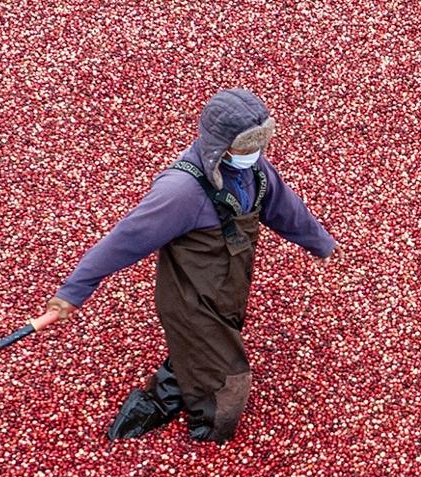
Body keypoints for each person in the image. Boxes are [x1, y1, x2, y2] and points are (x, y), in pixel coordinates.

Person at [44, 88, 337, 443]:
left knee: (200, 347)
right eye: (247, 145)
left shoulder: (254, 169)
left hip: (228, 286)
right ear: (221, 143)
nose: (254, 154)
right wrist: (72, 292)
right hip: (191, 298)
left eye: (259, 144)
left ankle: (165, 394)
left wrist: (322, 245)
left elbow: (284, 207)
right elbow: (124, 240)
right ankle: (208, 431)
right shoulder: (181, 192)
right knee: (228, 379)